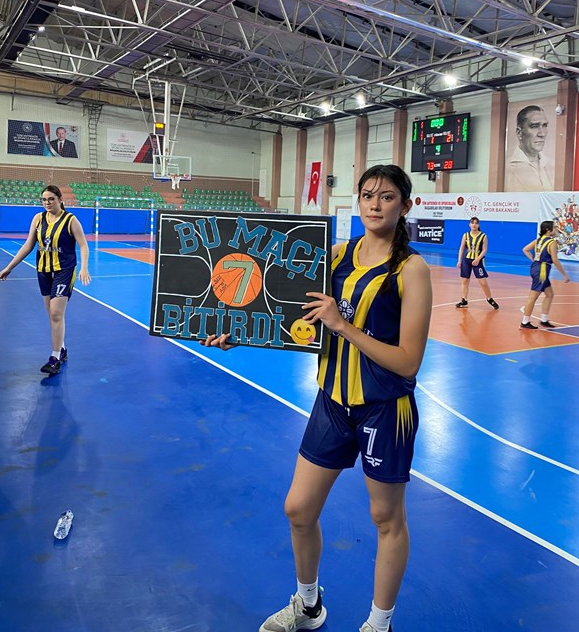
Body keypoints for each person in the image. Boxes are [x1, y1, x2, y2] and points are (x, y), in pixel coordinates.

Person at [204, 164, 432, 632]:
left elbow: (408, 362)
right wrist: (240, 333)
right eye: (367, 195)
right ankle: (308, 607)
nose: (375, 204)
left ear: (405, 205)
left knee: (385, 518)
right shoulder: (337, 254)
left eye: (387, 197)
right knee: (299, 509)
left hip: (385, 408)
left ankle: (379, 623)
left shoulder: (412, 270)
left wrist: (343, 326)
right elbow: (288, 314)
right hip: (332, 402)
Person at [0, 184, 90, 374]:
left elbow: (83, 245)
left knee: (56, 314)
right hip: (43, 271)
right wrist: (9, 267)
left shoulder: (71, 220)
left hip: (64, 270)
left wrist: (84, 267)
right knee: (52, 314)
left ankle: (54, 358)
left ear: (60, 200)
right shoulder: (38, 219)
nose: (47, 203)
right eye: (44, 200)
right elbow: (28, 245)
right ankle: (62, 349)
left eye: (51, 199)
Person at [520, 220, 570, 329]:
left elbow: (525, 249)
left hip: (536, 267)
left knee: (549, 294)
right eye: (554, 227)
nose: (556, 229)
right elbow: (555, 260)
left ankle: (544, 319)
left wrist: (534, 259)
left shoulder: (538, 240)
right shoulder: (552, 242)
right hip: (542, 270)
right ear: (548, 230)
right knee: (532, 297)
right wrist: (565, 275)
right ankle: (524, 322)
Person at [505, 105, 554, 191]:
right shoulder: (506, 168)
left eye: (544, 125)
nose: (542, 134)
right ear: (519, 132)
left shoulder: (552, 165)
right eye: (534, 126)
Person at [454, 217, 499, 309]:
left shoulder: (483, 236)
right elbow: (461, 248)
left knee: (483, 282)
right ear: (469, 225)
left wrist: (478, 259)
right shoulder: (466, 235)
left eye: (476, 223)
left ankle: (489, 298)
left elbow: (484, 250)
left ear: (478, 225)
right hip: (466, 260)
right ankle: (464, 300)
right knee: (465, 280)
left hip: (477, 261)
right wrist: (459, 260)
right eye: (472, 223)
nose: (474, 225)